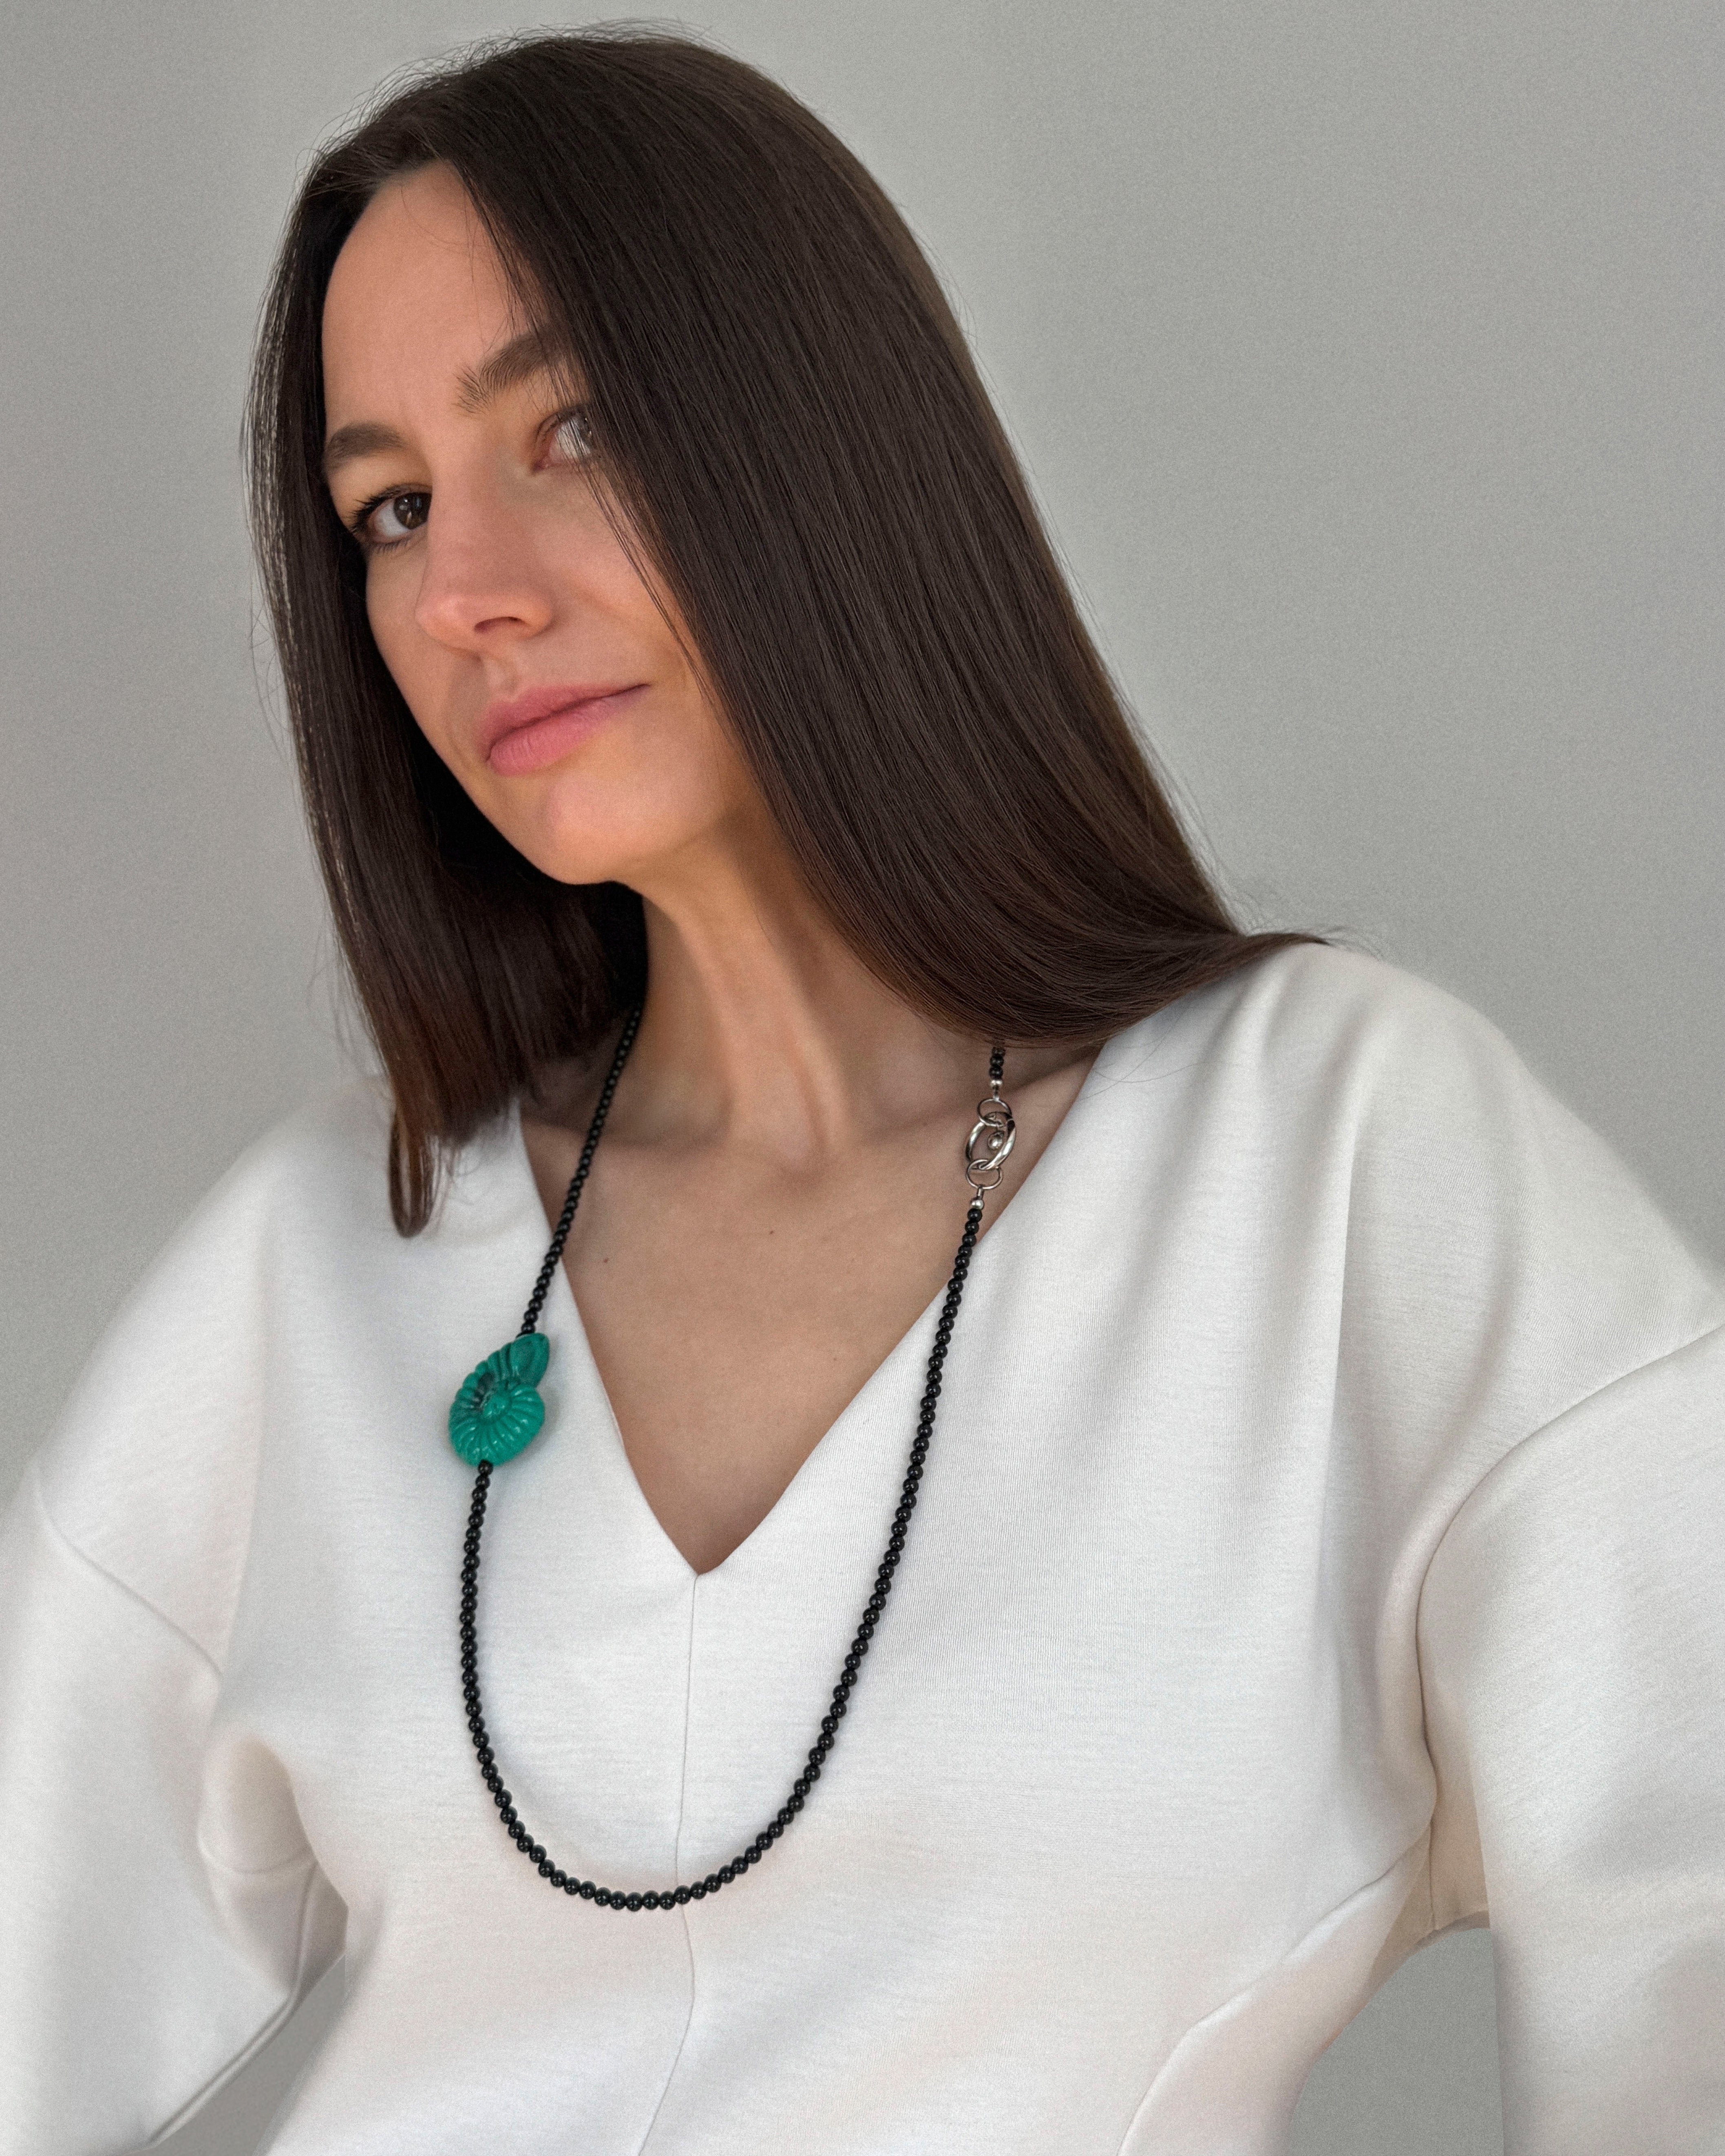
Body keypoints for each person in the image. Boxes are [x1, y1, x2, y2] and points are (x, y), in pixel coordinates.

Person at [1, 28, 1720, 2156]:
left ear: (820, 437)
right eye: (388, 507)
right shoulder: (334, 1263)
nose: (464, 592)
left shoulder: (1334, 1164)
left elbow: (1691, 1940)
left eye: (579, 428)